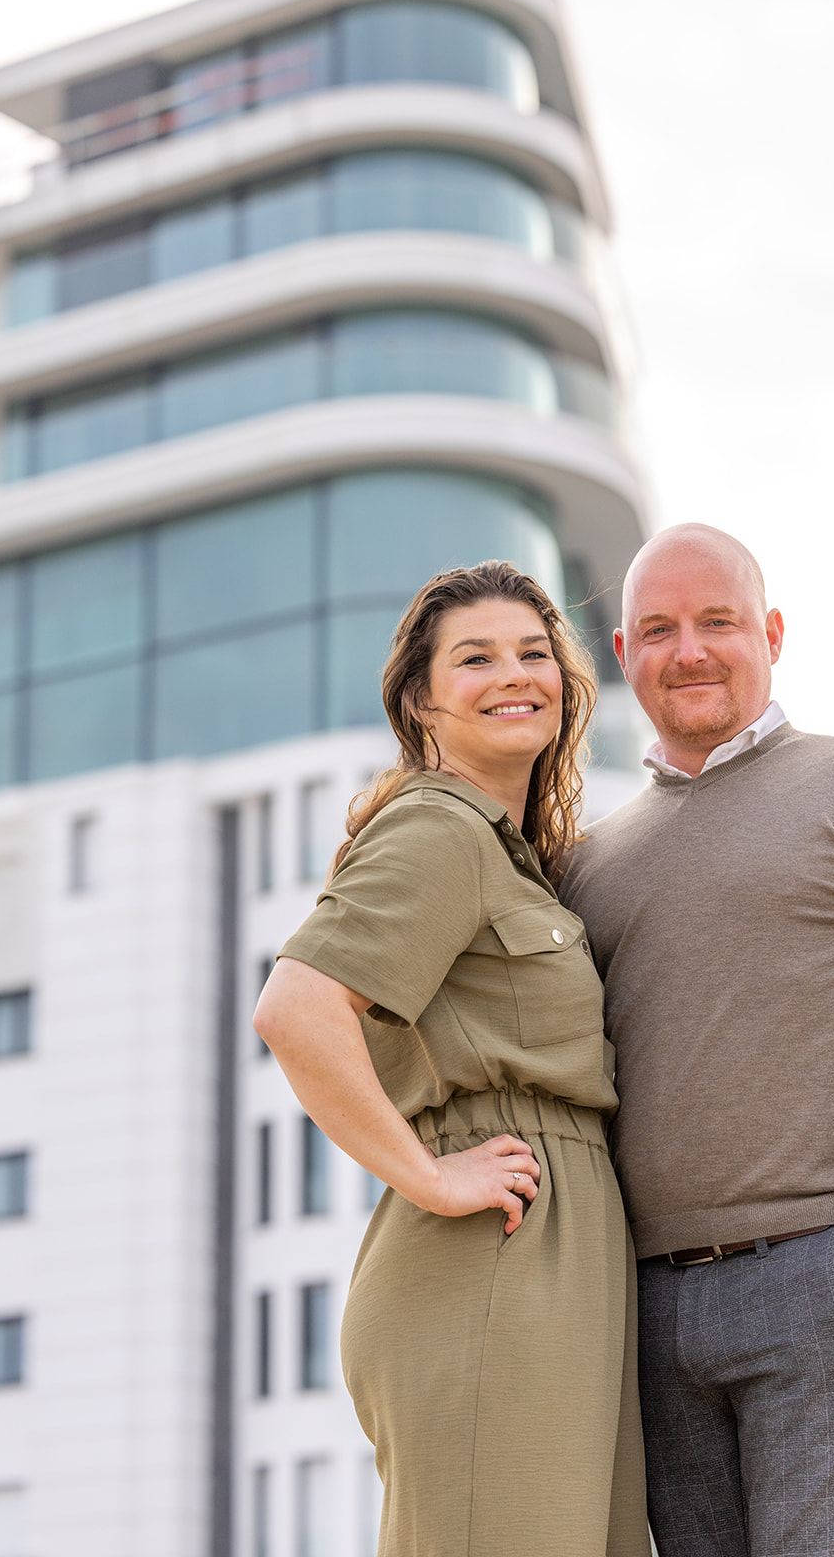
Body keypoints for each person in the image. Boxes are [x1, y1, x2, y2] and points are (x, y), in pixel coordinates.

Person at [559, 523, 834, 1557]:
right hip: (651, 1315)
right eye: (658, 629)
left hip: (822, 1276)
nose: (691, 650)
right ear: (624, 656)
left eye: (717, 621)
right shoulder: (589, 862)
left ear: (770, 632)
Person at [254, 560, 650, 1557]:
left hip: (559, 1264)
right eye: (474, 658)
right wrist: (429, 1176)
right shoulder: (438, 826)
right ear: (421, 702)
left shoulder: (518, 857)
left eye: (532, 653)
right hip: (491, 1260)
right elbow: (296, 1007)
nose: (512, 674)